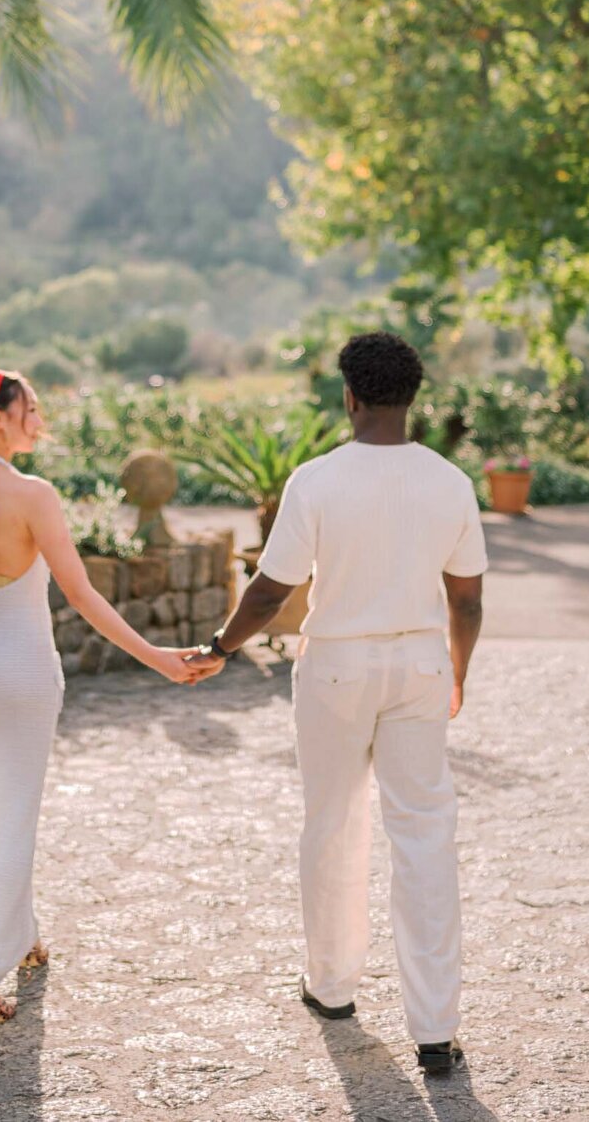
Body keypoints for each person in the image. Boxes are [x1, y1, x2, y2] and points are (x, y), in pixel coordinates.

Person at [186, 331, 487, 1077]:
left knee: (333, 823)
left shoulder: (316, 480)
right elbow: (470, 598)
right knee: (424, 837)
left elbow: (269, 590)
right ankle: (436, 1030)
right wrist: (458, 672)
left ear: (348, 397)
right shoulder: (450, 481)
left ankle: (332, 988)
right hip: (420, 662)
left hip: (337, 670)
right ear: (412, 400)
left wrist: (222, 647)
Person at [0, 369, 206, 1032]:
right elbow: (83, 597)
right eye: (30, 408)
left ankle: (24, 935)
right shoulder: (33, 495)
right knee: (16, 816)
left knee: (3, 807)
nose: (40, 419)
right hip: (24, 671)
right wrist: (158, 659)